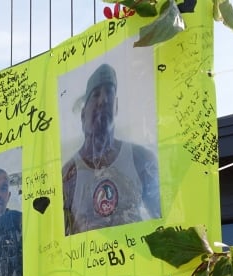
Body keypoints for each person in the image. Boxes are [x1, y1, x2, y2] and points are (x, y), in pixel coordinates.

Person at [62, 63, 161, 235]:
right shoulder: (68, 175)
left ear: (116, 107)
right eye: (96, 94)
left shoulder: (141, 159)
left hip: (135, 259)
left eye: (109, 93)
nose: (103, 100)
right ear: (83, 113)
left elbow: (164, 222)